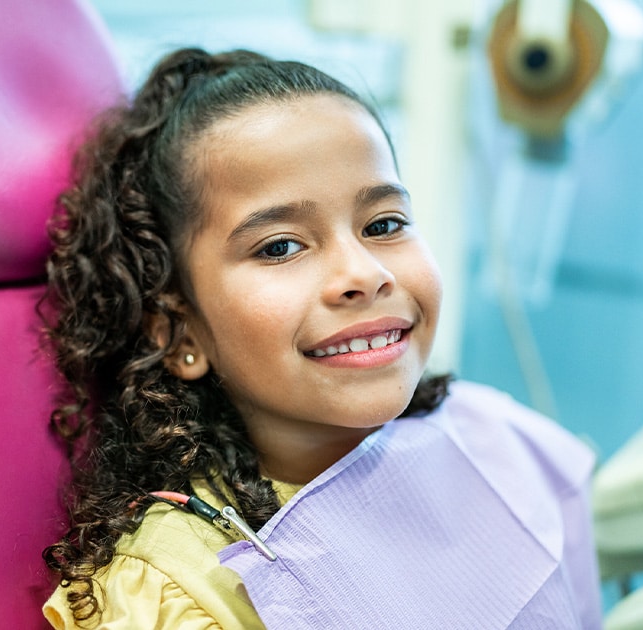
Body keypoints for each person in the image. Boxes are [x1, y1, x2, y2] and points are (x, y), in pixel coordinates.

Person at [41, 47, 599, 629]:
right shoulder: (175, 587)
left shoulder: (487, 436)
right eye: (280, 246)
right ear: (181, 330)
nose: (363, 274)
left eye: (383, 225)